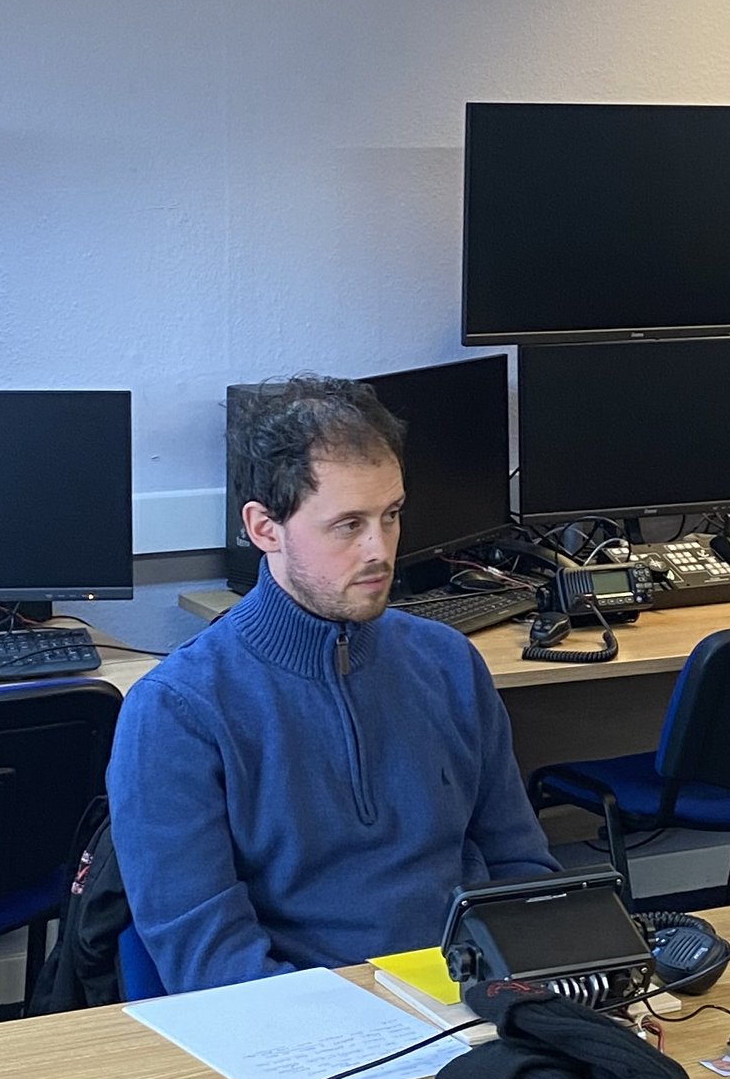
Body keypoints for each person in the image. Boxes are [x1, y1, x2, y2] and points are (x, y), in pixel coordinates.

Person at [108, 374, 554, 989]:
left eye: (391, 515)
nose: (379, 550)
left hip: (477, 998)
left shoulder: (447, 662)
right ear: (265, 528)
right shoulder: (177, 711)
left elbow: (520, 867)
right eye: (347, 524)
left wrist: (535, 994)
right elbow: (209, 961)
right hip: (307, 1018)